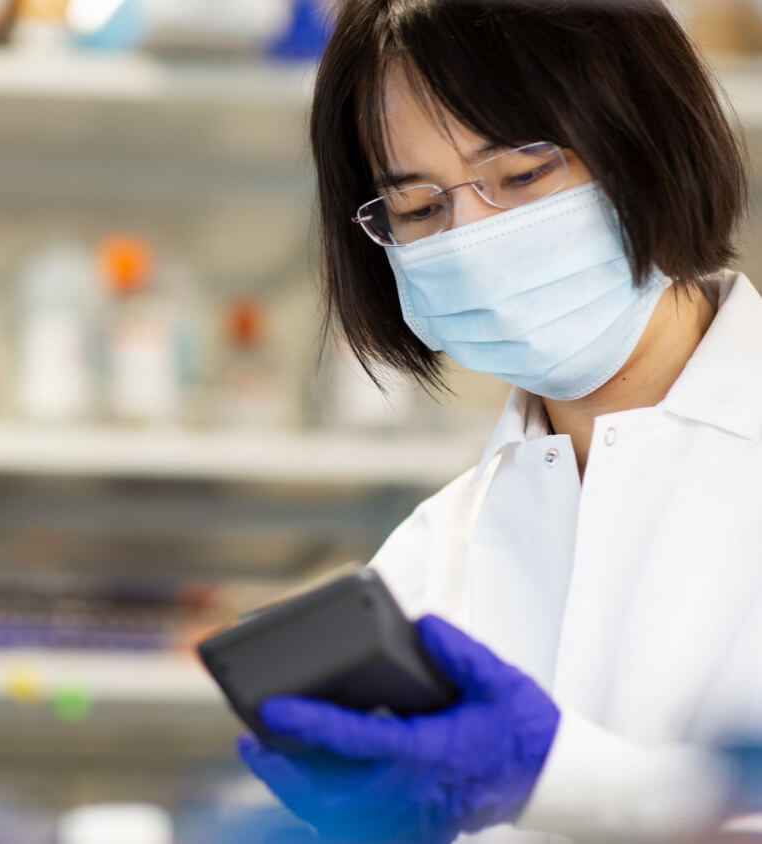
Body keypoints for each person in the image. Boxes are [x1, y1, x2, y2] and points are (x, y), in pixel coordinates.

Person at [235, 0, 762, 841]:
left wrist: (552, 778)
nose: (475, 238)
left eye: (522, 176)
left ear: (651, 141)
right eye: (417, 209)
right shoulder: (427, 563)